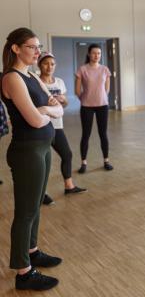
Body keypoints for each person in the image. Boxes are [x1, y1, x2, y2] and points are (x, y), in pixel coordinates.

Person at [1, 27, 64, 291]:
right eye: (32, 47)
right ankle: (23, 272)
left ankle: (32, 251)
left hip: (43, 147)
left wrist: (45, 109)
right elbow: (35, 120)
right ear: (16, 48)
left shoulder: (33, 76)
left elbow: (58, 108)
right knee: (26, 212)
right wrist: (47, 111)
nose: (38, 52)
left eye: (39, 47)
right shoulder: (12, 78)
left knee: (36, 205)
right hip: (27, 151)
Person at [38, 52, 87, 204]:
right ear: (39, 65)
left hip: (57, 126)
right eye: (46, 63)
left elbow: (64, 105)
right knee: (43, 161)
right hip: (42, 126)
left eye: (52, 64)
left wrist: (64, 101)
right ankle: (41, 193)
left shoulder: (59, 82)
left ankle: (69, 186)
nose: (49, 67)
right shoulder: (36, 82)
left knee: (67, 154)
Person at [75, 43, 112, 173]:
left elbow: (107, 89)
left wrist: (101, 97)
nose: (97, 55)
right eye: (94, 53)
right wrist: (85, 99)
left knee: (103, 134)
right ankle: (83, 163)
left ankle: (106, 161)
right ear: (89, 54)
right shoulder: (82, 69)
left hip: (102, 105)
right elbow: (77, 90)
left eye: (99, 53)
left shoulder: (105, 69)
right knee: (86, 134)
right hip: (87, 107)